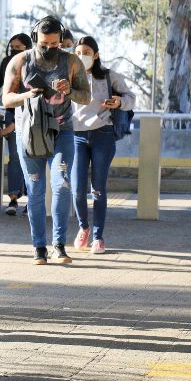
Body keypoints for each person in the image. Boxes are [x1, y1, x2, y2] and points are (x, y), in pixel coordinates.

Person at [2, 16, 91, 265]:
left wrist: (69, 91)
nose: (50, 48)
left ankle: (59, 244)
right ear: (34, 39)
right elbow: (6, 99)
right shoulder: (20, 61)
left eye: (55, 44)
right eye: (44, 43)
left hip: (61, 130)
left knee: (62, 184)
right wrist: (29, 94)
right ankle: (38, 246)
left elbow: (86, 96)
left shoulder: (72, 62)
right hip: (29, 131)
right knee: (35, 189)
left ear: (61, 40)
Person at [72, 36, 136, 254]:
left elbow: (130, 97)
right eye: (78, 52)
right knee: (78, 189)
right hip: (76, 136)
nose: (82, 56)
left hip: (103, 134)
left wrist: (119, 102)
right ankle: (84, 227)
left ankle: (98, 237)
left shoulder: (109, 76)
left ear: (96, 54)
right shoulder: (69, 76)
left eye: (87, 52)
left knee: (98, 189)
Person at [0, 33, 33, 216]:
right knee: (15, 157)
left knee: (31, 160)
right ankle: (13, 198)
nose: (13, 51)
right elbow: (1, 81)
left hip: (30, 115)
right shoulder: (7, 62)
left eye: (18, 48)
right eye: (11, 47)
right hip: (11, 112)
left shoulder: (33, 63)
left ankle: (31, 200)